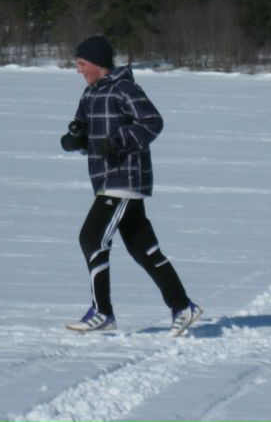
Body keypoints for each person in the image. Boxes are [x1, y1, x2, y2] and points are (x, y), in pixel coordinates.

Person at [60, 35, 202, 336]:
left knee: (91, 238)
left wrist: (118, 141)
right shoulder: (89, 95)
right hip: (105, 179)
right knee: (143, 248)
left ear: (98, 63)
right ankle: (182, 306)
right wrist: (76, 140)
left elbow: (152, 122)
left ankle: (102, 311)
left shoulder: (125, 88)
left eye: (82, 64)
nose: (78, 70)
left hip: (124, 178)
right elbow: (86, 131)